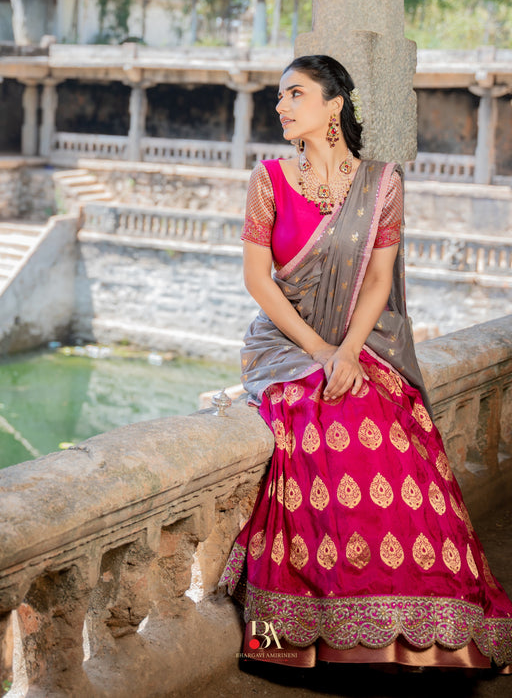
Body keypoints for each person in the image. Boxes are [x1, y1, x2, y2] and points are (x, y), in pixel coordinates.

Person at [219, 54, 512, 671]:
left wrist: (348, 351)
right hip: (287, 343)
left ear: (333, 107)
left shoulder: (382, 183)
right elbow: (258, 280)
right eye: (279, 96)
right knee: (319, 421)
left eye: (294, 94)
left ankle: (422, 634)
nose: (281, 106)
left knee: (392, 427)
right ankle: (309, 632)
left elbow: (379, 280)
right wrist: (321, 352)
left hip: (360, 341)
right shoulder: (268, 179)